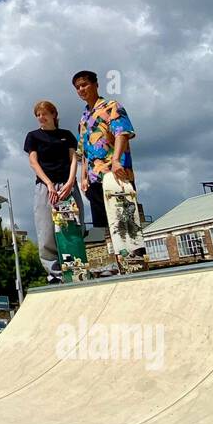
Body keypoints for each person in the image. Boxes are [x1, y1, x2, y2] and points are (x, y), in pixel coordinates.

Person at [73, 70, 147, 272]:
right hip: (94, 177)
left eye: (84, 84)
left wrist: (116, 160)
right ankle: (115, 261)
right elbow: (83, 150)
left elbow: (122, 133)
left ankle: (134, 258)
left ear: (96, 84)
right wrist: (83, 177)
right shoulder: (83, 117)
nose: (81, 89)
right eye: (78, 87)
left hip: (115, 172)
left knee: (123, 215)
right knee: (104, 222)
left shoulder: (111, 106)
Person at [25, 99, 86, 284]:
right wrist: (49, 184)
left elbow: (74, 159)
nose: (41, 117)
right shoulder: (33, 136)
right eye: (38, 115)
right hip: (46, 186)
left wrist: (70, 182)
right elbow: (33, 162)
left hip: (68, 184)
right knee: (46, 229)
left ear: (54, 115)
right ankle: (54, 273)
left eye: (44, 113)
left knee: (74, 225)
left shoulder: (66, 135)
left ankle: (76, 266)